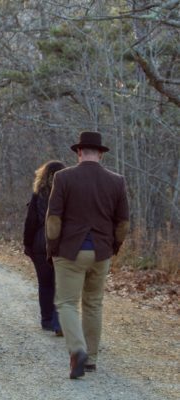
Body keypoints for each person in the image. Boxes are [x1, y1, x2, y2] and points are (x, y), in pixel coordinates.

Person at [46, 131, 130, 379]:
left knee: (67, 303)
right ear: (101, 154)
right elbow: (123, 223)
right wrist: (113, 246)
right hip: (101, 251)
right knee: (93, 303)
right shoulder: (117, 181)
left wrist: (52, 247)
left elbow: (53, 219)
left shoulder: (63, 178)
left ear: (79, 152)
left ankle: (77, 350)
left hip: (70, 252)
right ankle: (91, 359)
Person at [23, 160, 65, 336]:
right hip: (63, 243)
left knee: (45, 284)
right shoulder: (67, 194)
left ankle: (46, 320)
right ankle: (59, 321)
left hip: (40, 243)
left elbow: (30, 222)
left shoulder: (38, 195)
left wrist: (27, 244)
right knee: (60, 284)